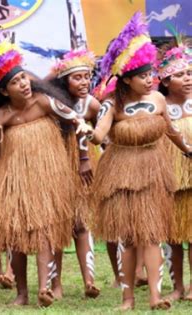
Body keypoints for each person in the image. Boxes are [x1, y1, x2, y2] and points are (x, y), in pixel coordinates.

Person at [0, 13, 92, 307]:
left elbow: (77, 122)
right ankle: (21, 293)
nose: (24, 84)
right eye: (16, 82)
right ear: (5, 90)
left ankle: (45, 288)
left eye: (24, 77)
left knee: (45, 230)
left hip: (47, 176)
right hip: (14, 180)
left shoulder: (45, 102)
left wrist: (84, 158)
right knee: (17, 237)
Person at [86, 12, 192, 310]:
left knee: (153, 236)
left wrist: (188, 150)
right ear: (127, 79)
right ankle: (128, 298)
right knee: (129, 239)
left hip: (154, 171)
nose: (150, 81)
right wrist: (89, 133)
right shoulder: (112, 104)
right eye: (143, 77)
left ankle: (156, 297)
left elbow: (171, 132)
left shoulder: (158, 100)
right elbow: (100, 134)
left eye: (151, 76)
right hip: (123, 174)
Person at [49, 49, 101, 299]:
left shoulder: (92, 104)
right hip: (57, 167)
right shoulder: (52, 101)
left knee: (81, 223)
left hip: (84, 170)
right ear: (64, 80)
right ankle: (55, 286)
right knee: (58, 224)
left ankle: (89, 281)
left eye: (87, 76)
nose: (84, 82)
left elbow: (101, 135)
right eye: (77, 77)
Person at [157, 37, 192, 302]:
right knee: (172, 237)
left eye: (190, 73)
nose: (188, 78)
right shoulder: (159, 105)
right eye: (180, 75)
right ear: (166, 81)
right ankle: (177, 285)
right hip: (168, 180)